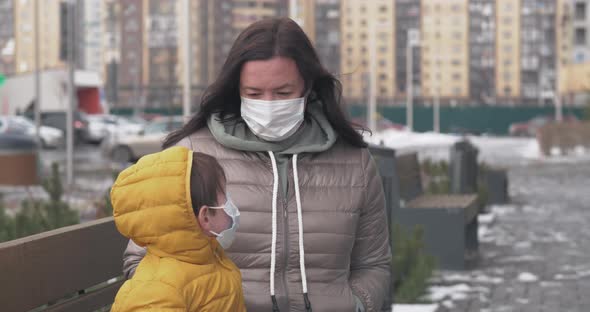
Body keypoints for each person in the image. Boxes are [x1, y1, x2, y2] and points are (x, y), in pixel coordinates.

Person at [123, 17, 391, 312]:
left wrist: (357, 304)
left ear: (308, 87)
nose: (268, 104)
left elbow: (373, 263)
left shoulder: (354, 162)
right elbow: (142, 260)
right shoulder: (190, 156)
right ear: (235, 88)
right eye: (253, 93)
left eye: (283, 93)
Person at [111, 146, 245, 312]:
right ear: (205, 217)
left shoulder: (209, 258)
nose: (232, 204)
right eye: (225, 196)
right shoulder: (156, 294)